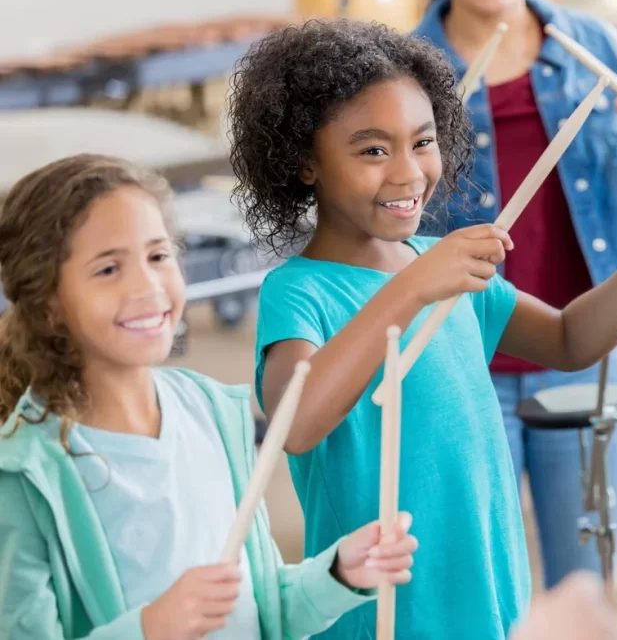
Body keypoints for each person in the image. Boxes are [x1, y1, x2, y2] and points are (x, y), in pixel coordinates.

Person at [228, 18, 617, 640]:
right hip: (379, 602)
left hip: (485, 575)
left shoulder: (436, 260)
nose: (408, 172)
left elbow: (566, 340)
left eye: (422, 141)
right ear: (304, 163)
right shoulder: (300, 290)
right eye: (372, 150)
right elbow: (297, 420)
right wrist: (413, 288)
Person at [0, 154, 418, 640]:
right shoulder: (23, 475)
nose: (148, 286)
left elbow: (261, 609)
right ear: (48, 303)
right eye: (109, 269)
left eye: (158, 256)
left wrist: (339, 574)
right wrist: (151, 628)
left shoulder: (210, 411)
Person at [413, 0, 617, 586]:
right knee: (477, 582)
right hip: (460, 360)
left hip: (586, 355)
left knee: (587, 580)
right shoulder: (404, 69)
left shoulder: (594, 45)